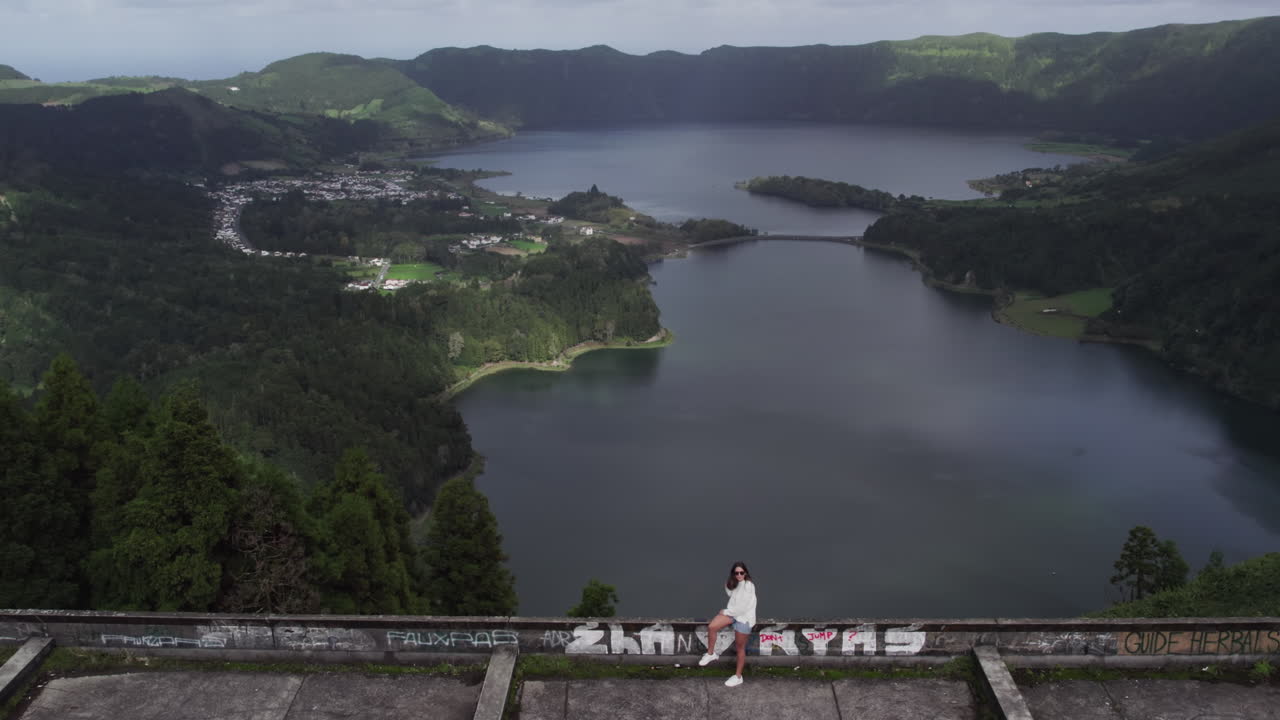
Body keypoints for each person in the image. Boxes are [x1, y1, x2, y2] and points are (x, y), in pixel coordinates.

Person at [698, 561, 757, 687]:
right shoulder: (737, 583)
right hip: (734, 614)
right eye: (736, 573)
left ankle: (738, 676)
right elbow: (731, 594)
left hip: (744, 618)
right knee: (712, 627)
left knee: (740, 648)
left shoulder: (749, 586)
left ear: (745, 573)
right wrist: (727, 585)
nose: (739, 575)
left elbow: (742, 608)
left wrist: (726, 611)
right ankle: (711, 654)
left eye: (741, 572)